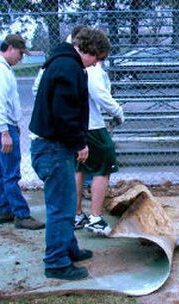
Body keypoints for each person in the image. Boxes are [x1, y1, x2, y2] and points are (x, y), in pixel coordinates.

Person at [29, 27, 111, 280]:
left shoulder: (65, 62)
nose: (95, 64)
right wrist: (80, 144)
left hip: (54, 145)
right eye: (96, 58)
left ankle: (68, 248)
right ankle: (55, 263)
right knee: (62, 208)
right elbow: (64, 113)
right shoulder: (67, 67)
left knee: (64, 204)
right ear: (89, 49)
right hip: (53, 148)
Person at [0, 34, 45, 230]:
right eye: (19, 53)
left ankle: (3, 209)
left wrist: (9, 125)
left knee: (0, 170)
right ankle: (21, 214)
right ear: (9, 48)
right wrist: (5, 131)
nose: (21, 58)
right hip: (1, 126)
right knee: (10, 173)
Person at [74, 58, 125, 234]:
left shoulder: (67, 63)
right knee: (104, 167)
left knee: (79, 166)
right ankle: (95, 217)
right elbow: (99, 93)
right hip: (92, 125)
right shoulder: (92, 67)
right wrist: (118, 112)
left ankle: (77, 214)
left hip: (75, 125)